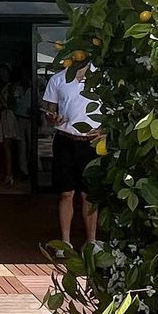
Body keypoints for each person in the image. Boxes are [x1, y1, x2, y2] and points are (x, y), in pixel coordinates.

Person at [41, 62, 101, 245]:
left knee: (89, 194)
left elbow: (113, 110)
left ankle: (91, 242)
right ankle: (65, 242)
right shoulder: (58, 79)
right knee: (66, 193)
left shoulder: (101, 77)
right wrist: (53, 118)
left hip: (92, 143)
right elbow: (48, 111)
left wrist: (104, 129)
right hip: (65, 140)